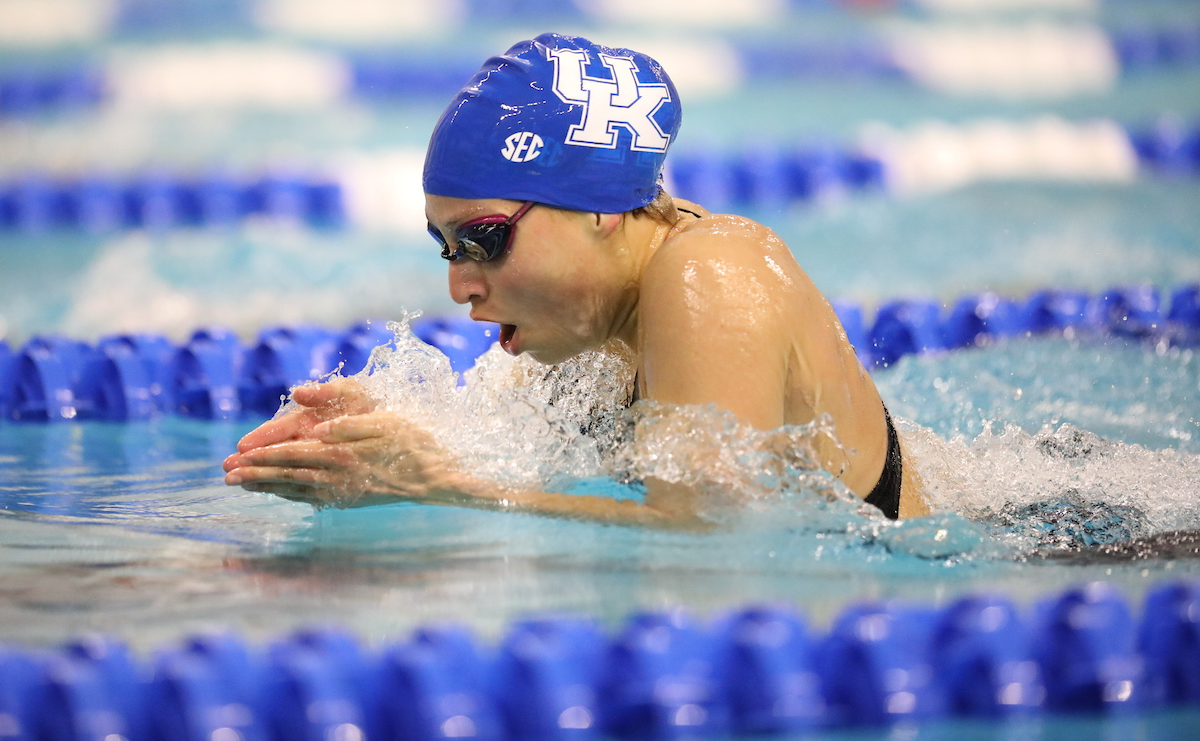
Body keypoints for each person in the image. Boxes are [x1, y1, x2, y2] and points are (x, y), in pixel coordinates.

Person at [222, 33, 928, 526]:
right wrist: (387, 443)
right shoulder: (587, 326)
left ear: (598, 207)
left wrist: (440, 487)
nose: (460, 286)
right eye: (448, 248)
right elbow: (518, 463)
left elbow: (720, 537)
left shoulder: (707, 272)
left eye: (484, 239)